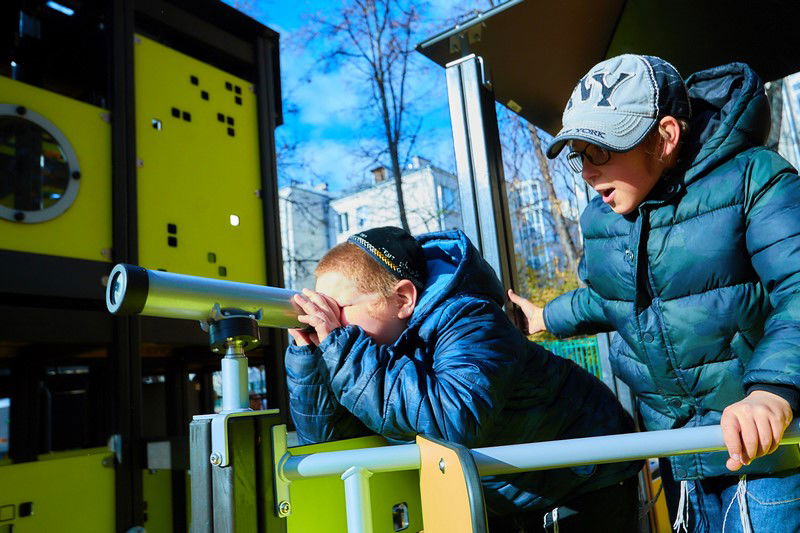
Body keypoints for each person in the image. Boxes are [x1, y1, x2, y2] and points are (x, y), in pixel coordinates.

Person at [507, 54, 800, 532]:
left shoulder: (753, 179)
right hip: (682, 458)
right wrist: (545, 317)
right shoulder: (605, 220)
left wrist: (772, 390)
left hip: (771, 455)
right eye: (580, 153)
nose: (586, 172)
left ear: (665, 137)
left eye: (601, 150)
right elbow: (606, 298)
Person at [286, 226, 641, 531]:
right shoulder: (367, 351)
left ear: (403, 298)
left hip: (583, 476)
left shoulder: (471, 319)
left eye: (337, 308)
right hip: (508, 490)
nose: (326, 320)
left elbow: (453, 422)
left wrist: (342, 348)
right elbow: (328, 439)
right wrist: (310, 359)